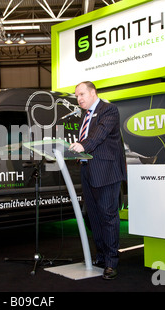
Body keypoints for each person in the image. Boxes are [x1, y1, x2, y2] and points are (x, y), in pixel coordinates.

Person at [69, 81, 126, 280]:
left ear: (93, 92)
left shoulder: (109, 110)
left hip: (107, 172)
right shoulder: (85, 116)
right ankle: (101, 256)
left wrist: (83, 146)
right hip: (88, 171)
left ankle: (111, 262)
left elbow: (99, 134)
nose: (79, 99)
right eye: (77, 96)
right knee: (93, 216)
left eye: (82, 94)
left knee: (108, 217)